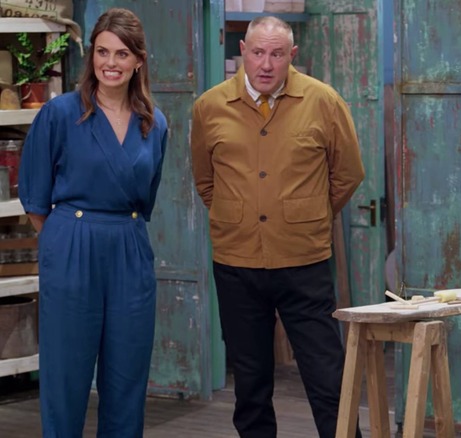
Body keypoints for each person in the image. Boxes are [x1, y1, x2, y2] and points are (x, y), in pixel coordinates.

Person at [190, 16, 364, 438]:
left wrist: (305, 216)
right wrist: (243, 216)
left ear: (292, 56)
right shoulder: (209, 107)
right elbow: (205, 181)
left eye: (276, 54)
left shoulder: (324, 101)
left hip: (304, 262)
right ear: (242, 53)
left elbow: (348, 174)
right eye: (257, 52)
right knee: (250, 385)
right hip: (237, 264)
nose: (265, 64)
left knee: (327, 379)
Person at [18, 8, 167, 437]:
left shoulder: (154, 124)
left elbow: (147, 193)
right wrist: (66, 245)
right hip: (70, 245)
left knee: (127, 377)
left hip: (130, 249)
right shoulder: (60, 114)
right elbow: (34, 195)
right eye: (102, 52)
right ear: (91, 56)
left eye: (122, 54)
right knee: (66, 378)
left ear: (139, 60)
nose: (111, 63)